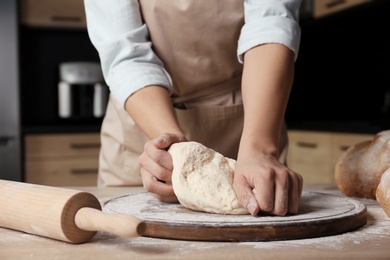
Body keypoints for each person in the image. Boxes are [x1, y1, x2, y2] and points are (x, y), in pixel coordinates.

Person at [84, 0, 303, 216]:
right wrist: (176, 154)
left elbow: (271, 21)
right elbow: (126, 55)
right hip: (143, 120)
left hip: (251, 115)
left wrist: (259, 149)